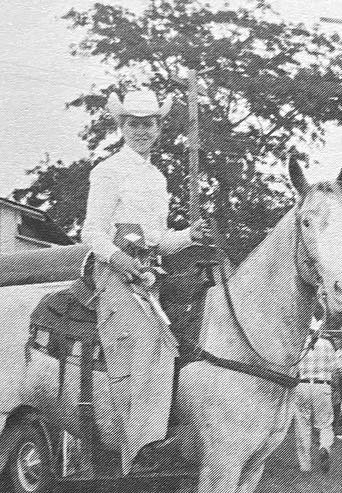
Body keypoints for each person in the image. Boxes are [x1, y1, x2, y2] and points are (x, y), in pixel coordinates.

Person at [81, 88, 206, 473]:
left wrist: (189, 236)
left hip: (150, 273)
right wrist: (118, 259)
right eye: (134, 124)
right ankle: (139, 447)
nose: (141, 131)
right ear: (122, 127)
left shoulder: (157, 177)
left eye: (148, 124)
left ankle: (177, 430)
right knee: (150, 339)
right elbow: (91, 231)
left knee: (189, 329)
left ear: (158, 128)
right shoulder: (108, 171)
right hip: (115, 271)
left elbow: (158, 239)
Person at [294, 321, 338, 473]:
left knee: (303, 425)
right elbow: (334, 367)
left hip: (302, 385)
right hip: (322, 385)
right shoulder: (327, 344)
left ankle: (305, 466)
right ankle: (324, 446)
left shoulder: (300, 344)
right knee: (325, 424)